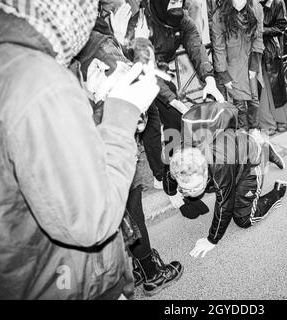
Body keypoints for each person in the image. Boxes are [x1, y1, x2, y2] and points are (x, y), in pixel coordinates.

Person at [0, 0, 160, 299]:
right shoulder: (38, 78)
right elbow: (92, 218)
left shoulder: (6, 59)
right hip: (68, 283)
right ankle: (150, 267)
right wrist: (121, 113)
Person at [77, 0, 184, 297]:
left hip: (93, 139)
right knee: (131, 202)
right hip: (112, 138)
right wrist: (137, 41)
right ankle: (150, 271)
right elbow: (139, 86)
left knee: (124, 209)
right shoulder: (101, 42)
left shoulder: (84, 42)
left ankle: (137, 266)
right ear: (112, 12)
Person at [166, 103, 287, 258]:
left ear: (205, 173)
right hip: (234, 148)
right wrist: (171, 192)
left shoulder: (219, 168)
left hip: (249, 159)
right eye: (186, 189)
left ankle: (276, 186)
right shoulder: (179, 161)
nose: (191, 194)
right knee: (221, 187)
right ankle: (264, 147)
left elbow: (225, 205)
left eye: (196, 186)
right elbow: (169, 176)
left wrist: (212, 240)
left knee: (244, 220)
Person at [141, 0, 225, 165]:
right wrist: (172, 99)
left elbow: (196, 47)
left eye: (180, 1)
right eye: (172, 2)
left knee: (174, 119)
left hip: (161, 69)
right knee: (152, 122)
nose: (177, 7)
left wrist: (209, 80)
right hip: (137, 72)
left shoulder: (183, 20)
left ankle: (177, 163)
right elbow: (144, 65)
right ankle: (162, 175)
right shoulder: (142, 24)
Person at [211, 0, 265, 132]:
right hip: (232, 63)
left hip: (250, 60)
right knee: (238, 103)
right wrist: (224, 73)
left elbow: (258, 37)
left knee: (254, 99)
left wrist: (254, 65)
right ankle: (242, 134)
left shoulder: (256, 8)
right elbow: (219, 47)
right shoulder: (220, 15)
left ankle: (254, 132)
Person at [259, 0, 287, 135]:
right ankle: (267, 122)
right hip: (254, 49)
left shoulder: (277, 2)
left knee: (274, 87)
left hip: (270, 49)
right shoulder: (251, 3)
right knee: (261, 87)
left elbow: (281, 27)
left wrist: (261, 30)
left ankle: (281, 120)